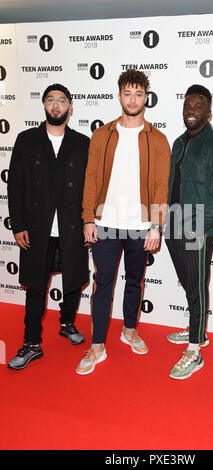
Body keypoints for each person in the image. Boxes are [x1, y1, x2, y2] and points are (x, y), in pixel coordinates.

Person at [76, 69, 170, 375]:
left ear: (146, 97)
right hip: (105, 223)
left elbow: (160, 186)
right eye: (127, 93)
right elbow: (90, 178)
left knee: (134, 280)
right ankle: (97, 345)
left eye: (139, 94)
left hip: (140, 226)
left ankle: (129, 329)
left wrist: (156, 226)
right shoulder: (102, 135)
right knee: (102, 283)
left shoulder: (158, 139)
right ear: (119, 96)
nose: (133, 99)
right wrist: (88, 218)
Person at [7, 84, 90, 370]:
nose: (56, 105)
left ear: (70, 106)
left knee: (73, 281)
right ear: (44, 104)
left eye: (62, 100)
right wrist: (17, 224)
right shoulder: (26, 140)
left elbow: (90, 190)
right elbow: (15, 185)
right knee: (35, 286)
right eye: (51, 100)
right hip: (37, 228)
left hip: (72, 227)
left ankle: (67, 323)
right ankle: (31, 343)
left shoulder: (82, 143)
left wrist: (89, 222)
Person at [165, 84, 213, 380]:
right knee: (188, 281)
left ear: (208, 111)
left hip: (196, 227)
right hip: (173, 222)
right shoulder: (179, 142)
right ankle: (198, 329)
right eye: (187, 106)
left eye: (197, 107)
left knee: (198, 285)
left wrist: (203, 229)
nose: (191, 111)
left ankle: (195, 349)